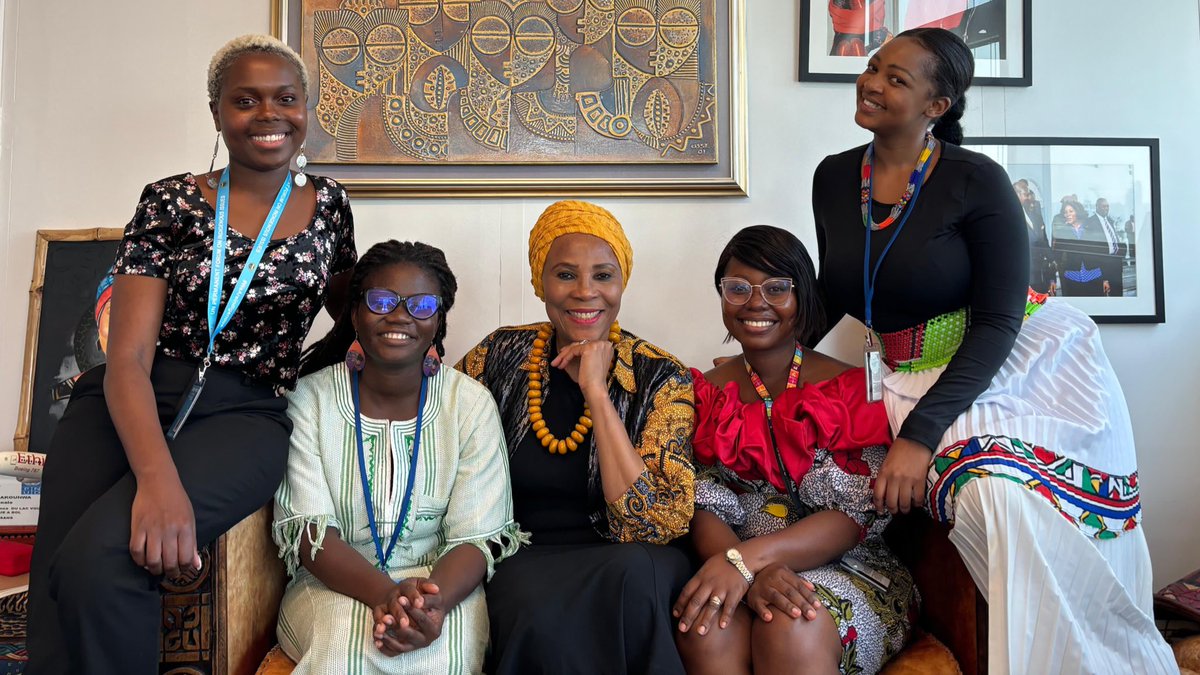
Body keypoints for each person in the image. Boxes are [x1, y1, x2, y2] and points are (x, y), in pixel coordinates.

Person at [811, 27, 1175, 674]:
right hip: (905, 369)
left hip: (1014, 365)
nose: (871, 82)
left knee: (1002, 501)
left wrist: (920, 437)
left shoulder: (976, 180)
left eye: (897, 78)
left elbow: (1000, 320)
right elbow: (837, 288)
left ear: (937, 105)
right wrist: (766, 357)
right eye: (871, 68)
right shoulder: (835, 177)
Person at [26, 34, 357, 674]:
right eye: (246, 100)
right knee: (57, 577)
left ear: (306, 109)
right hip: (133, 393)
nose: (269, 115)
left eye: (286, 99)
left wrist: (342, 364)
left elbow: (351, 317)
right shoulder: (168, 200)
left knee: (101, 559)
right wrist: (157, 481)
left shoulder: (330, 205)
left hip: (244, 414)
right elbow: (125, 357)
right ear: (216, 114)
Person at [457, 200, 696, 674]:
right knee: (528, 602)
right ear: (539, 283)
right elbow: (437, 423)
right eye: (565, 275)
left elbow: (653, 527)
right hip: (525, 554)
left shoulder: (660, 375)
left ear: (622, 282)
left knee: (632, 577)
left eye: (603, 276)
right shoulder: (498, 357)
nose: (586, 292)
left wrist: (596, 391)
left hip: (630, 554)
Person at [674, 226, 917, 675]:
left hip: (852, 566)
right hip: (738, 565)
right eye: (738, 288)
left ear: (802, 294)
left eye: (777, 288)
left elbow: (855, 517)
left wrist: (748, 561)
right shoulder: (704, 394)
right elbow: (700, 503)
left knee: (790, 622)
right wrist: (745, 573)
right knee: (704, 625)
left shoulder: (849, 387)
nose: (755, 302)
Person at [271, 240, 523, 674]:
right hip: (334, 587)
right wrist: (386, 596)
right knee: (341, 652)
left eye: (422, 304)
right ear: (354, 313)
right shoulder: (309, 401)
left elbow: (475, 538)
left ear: (438, 319)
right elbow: (310, 535)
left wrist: (426, 604)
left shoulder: (469, 405)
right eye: (382, 300)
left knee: (446, 654)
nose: (400, 315)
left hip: (442, 589)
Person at [1053, 198, 1107, 297]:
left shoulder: (1091, 228)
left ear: (1078, 212)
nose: (1067, 214)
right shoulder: (1062, 232)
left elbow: (1102, 254)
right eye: (1065, 212)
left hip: (1094, 278)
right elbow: (1057, 256)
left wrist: (1106, 279)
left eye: (1070, 211)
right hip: (1072, 280)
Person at [1012, 179, 1055, 294]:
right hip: (1022, 274)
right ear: (1016, 195)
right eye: (1026, 194)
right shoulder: (1008, 217)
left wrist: (1052, 260)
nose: (1029, 197)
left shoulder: (1035, 216)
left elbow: (1043, 241)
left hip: (1040, 274)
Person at [1087, 197, 1127, 296]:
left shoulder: (1109, 220)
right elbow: (1092, 248)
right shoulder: (1091, 222)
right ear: (1097, 207)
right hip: (1102, 264)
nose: (1106, 208)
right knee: (1104, 294)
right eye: (1103, 206)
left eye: (1107, 206)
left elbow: (1114, 238)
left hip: (1115, 263)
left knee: (1118, 293)